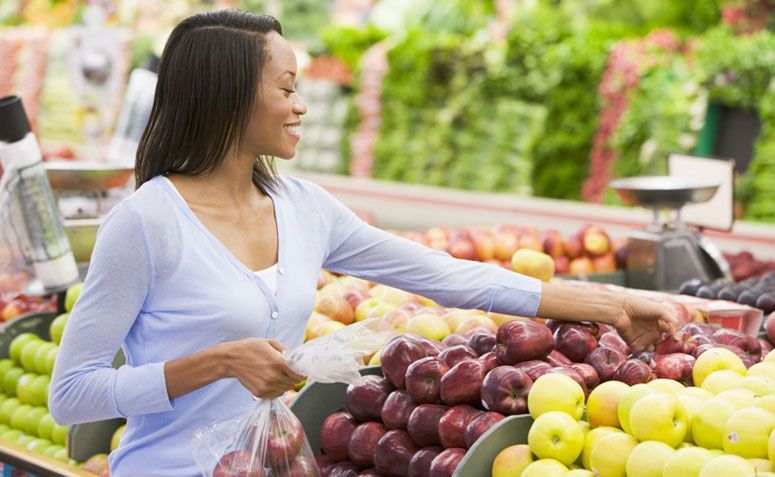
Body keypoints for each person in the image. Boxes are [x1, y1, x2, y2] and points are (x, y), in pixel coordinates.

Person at [49, 9, 680, 476]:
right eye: (287, 86)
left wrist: (611, 303)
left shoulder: (304, 210)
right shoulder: (146, 223)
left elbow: (450, 276)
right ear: (229, 94)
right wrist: (216, 362)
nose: (301, 106)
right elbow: (71, 396)